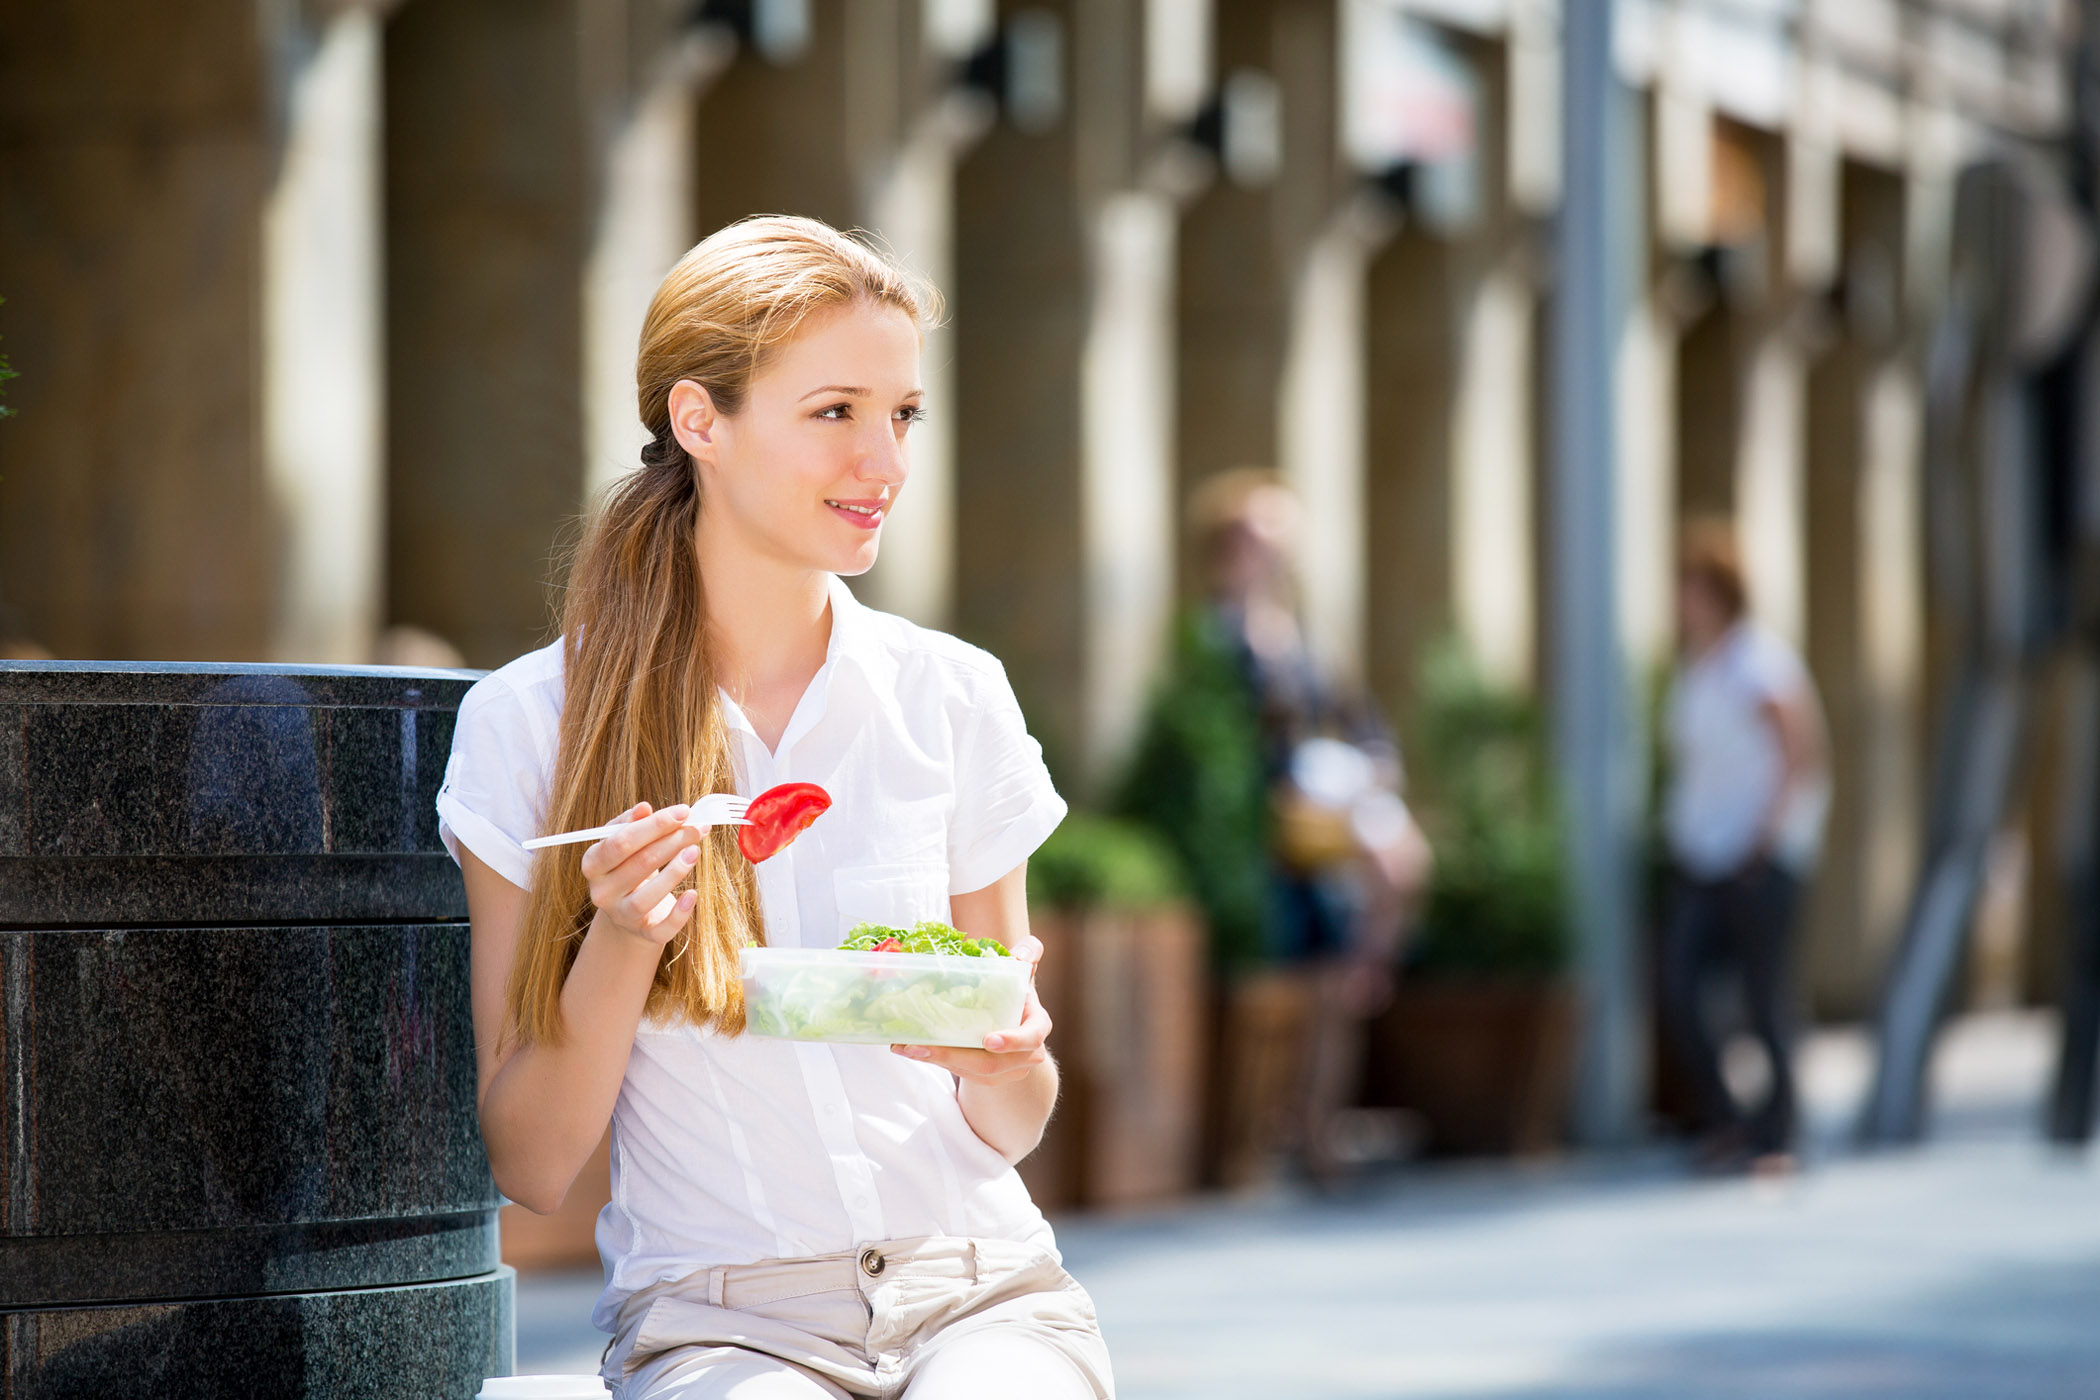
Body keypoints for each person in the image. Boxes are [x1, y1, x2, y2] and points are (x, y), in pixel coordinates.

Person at [434, 216, 1112, 1400]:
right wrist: (623, 936)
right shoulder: (529, 723)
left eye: (903, 414)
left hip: (982, 1287)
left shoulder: (953, 695)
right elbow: (532, 1162)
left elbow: (1014, 1118)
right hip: (723, 1320)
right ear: (701, 421)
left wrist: (1005, 1059)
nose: (884, 461)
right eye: (835, 410)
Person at [1121, 468, 1429, 1186]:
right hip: (1256, 840)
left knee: (1332, 982)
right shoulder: (1213, 637)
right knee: (1286, 985)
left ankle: (1319, 1130)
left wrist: (1371, 769)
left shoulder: (1304, 638)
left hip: (1313, 829)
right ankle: (1267, 1133)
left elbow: (1362, 721)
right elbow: (1208, 748)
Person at [1659, 518, 1829, 1174]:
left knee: (1765, 999)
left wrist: (1764, 840)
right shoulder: (1697, 667)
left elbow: (1798, 753)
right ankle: (1727, 1121)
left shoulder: (1758, 663)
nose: (1681, 601)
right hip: (1704, 857)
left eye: (1691, 588)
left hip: (1757, 859)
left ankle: (1778, 1134)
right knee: (1679, 986)